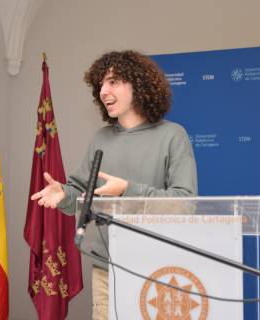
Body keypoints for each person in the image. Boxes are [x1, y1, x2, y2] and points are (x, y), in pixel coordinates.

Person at [31, 50, 197, 319]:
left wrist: (127, 190)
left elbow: (184, 204)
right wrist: (62, 194)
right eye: (100, 85)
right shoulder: (101, 138)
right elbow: (79, 194)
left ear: (138, 84)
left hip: (157, 269)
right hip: (105, 269)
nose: (103, 91)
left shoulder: (172, 136)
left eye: (113, 82)